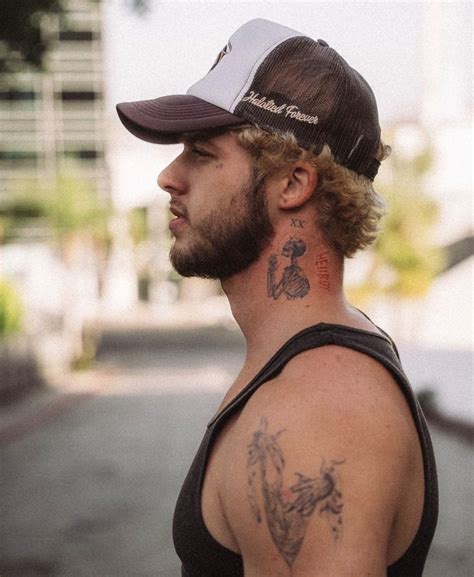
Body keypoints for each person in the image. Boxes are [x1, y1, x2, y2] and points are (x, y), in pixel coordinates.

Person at [117, 18, 438, 577]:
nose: (169, 175)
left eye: (201, 152)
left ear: (292, 183)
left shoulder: (320, 406)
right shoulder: (311, 363)